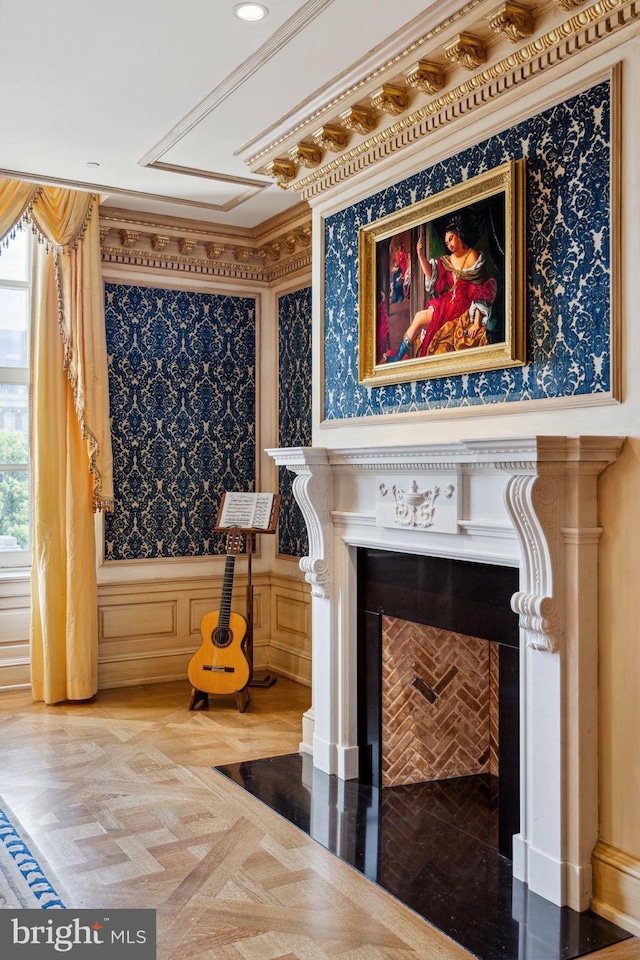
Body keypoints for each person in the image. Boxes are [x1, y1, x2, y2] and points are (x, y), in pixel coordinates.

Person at [381, 218, 497, 362]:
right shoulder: (448, 260)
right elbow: (432, 275)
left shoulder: (473, 257)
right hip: (445, 303)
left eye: (451, 239)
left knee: (422, 322)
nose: (449, 245)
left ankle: (398, 357)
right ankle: (398, 357)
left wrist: (476, 323)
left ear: (459, 235)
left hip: (462, 309)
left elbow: (479, 292)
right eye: (447, 243)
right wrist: (421, 255)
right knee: (418, 317)